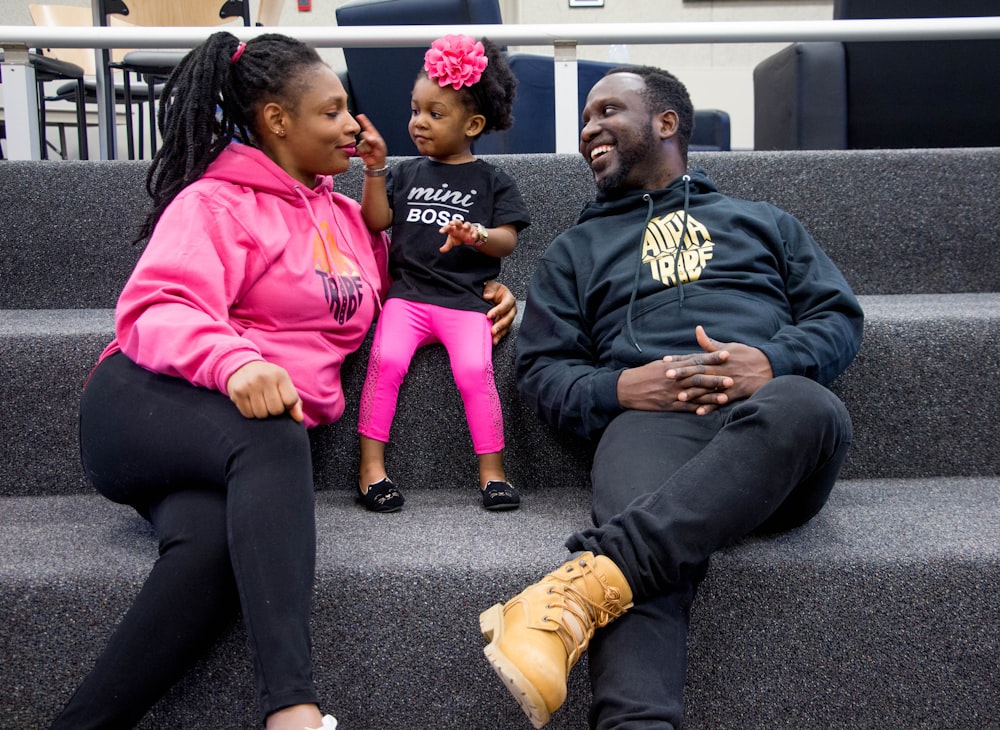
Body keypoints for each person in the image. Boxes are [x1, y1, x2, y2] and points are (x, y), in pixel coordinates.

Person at [49, 32, 516, 730]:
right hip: (143, 404)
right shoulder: (217, 204)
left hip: (226, 448)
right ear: (277, 121)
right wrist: (237, 361)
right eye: (331, 113)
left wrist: (484, 293)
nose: (354, 126)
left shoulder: (343, 215)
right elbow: (157, 308)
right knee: (276, 433)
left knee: (211, 553)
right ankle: (292, 711)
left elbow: (394, 284)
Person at [478, 65, 864, 729]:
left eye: (608, 111)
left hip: (770, 427)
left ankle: (585, 585)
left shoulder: (763, 222)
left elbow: (837, 318)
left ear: (666, 123)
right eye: (585, 119)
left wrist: (770, 362)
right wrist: (623, 386)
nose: (588, 129)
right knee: (652, 534)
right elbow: (541, 372)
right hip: (650, 426)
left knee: (810, 406)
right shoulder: (574, 251)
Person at [353, 34, 530, 513]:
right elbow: (376, 221)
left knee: (476, 371)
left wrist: (477, 234)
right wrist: (374, 170)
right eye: (415, 110)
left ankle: (493, 473)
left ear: (472, 123)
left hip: (465, 302)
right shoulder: (405, 173)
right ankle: (371, 469)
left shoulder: (493, 181)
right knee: (385, 362)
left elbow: (508, 239)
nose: (419, 123)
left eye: (435, 113)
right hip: (407, 298)